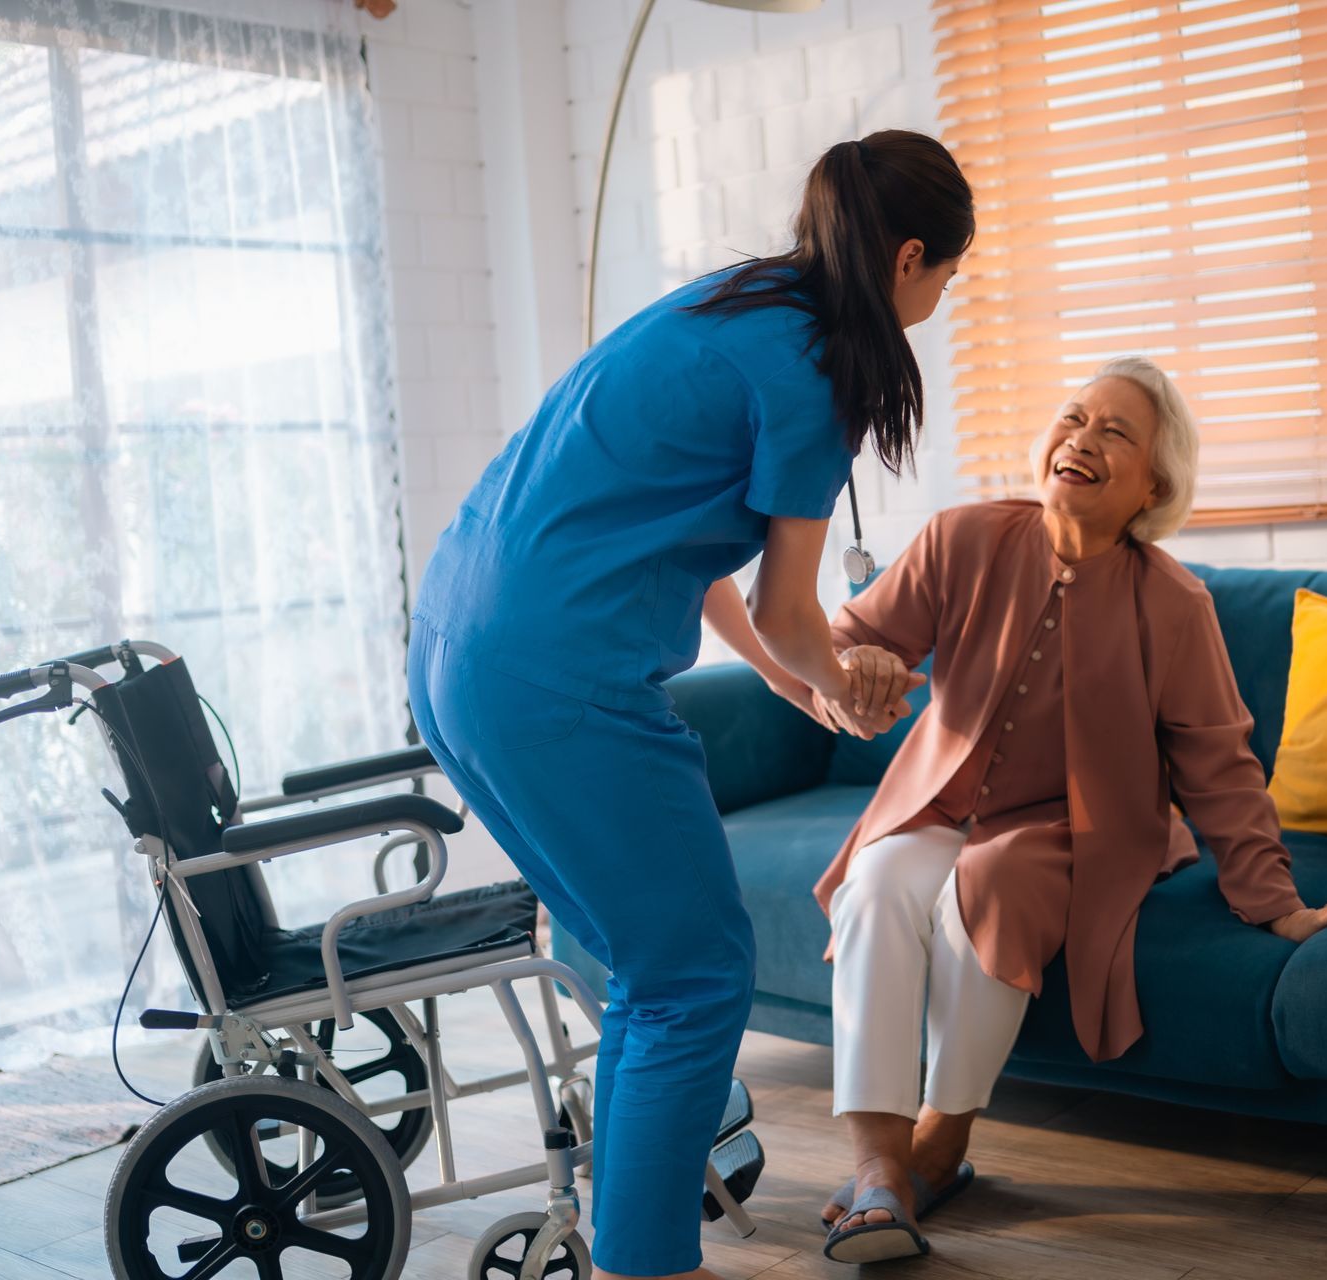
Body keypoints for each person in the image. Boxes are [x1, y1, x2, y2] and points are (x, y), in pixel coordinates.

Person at [406, 130, 971, 1280]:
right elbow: (795, 609)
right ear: (911, 254)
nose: (940, 299)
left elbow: (689, 541)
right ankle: (648, 1263)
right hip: (560, 674)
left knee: (643, 966)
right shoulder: (821, 367)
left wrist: (779, 676)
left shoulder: (730, 304)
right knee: (697, 970)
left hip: (457, 649)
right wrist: (846, 688)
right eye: (947, 276)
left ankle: (634, 1245)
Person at [798, 357, 1327, 1261]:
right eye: (1073, 418)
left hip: (1070, 829)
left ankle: (943, 1142)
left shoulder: (1175, 603)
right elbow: (851, 637)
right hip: (939, 803)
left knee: (993, 879)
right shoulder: (961, 537)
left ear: (1152, 487)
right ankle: (879, 1169)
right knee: (880, 877)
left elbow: (1220, 764)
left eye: (1114, 434)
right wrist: (855, 671)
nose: (1082, 440)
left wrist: (1276, 903)